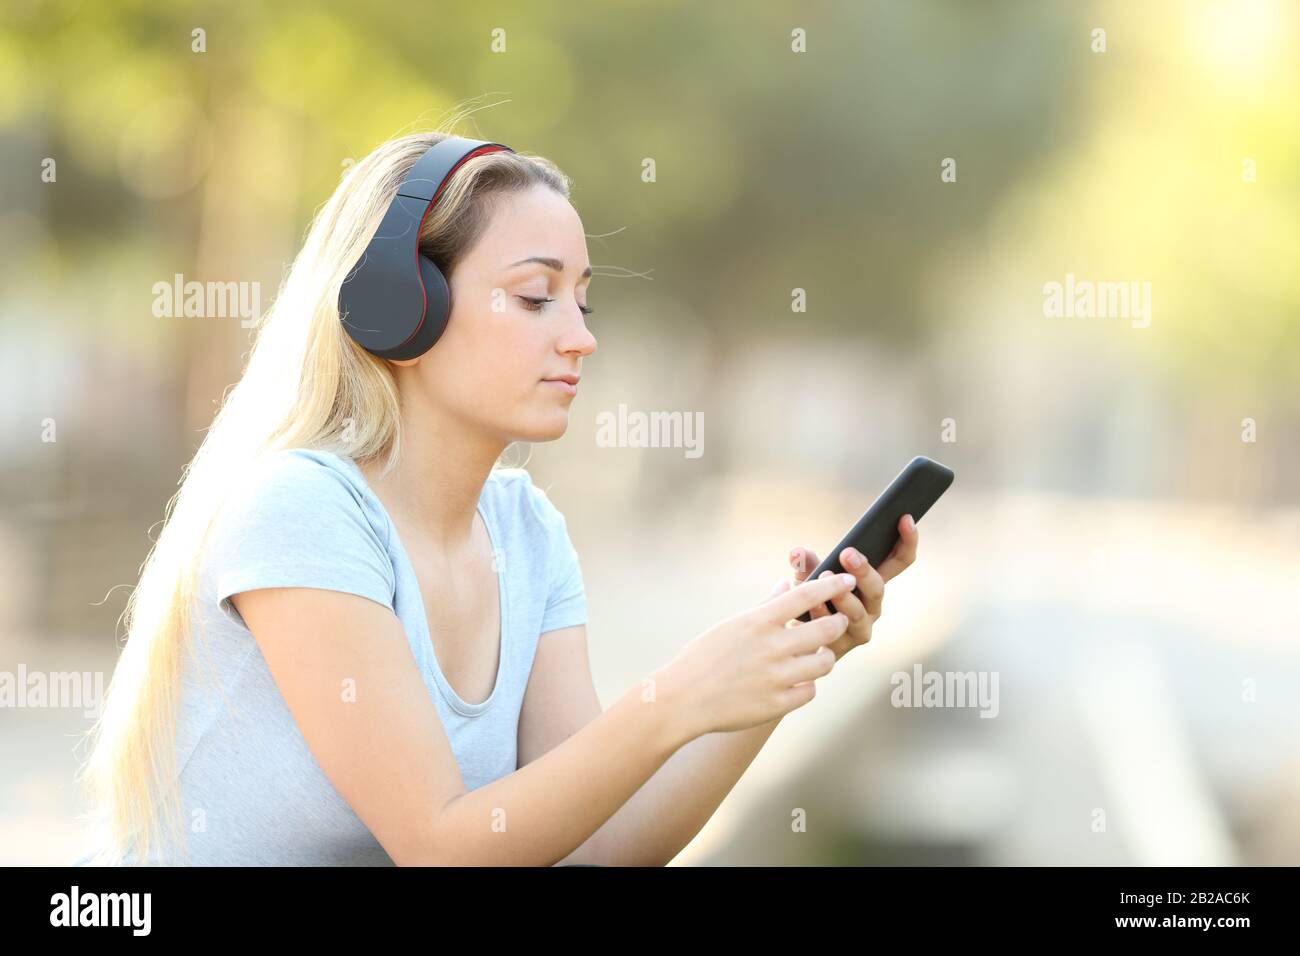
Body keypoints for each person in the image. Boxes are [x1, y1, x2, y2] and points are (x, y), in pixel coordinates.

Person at [74, 125, 919, 867]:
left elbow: (597, 844)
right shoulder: (301, 510)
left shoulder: (526, 530)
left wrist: (778, 665)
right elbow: (440, 846)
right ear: (398, 308)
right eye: (535, 297)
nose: (581, 336)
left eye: (583, 301)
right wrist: (682, 691)